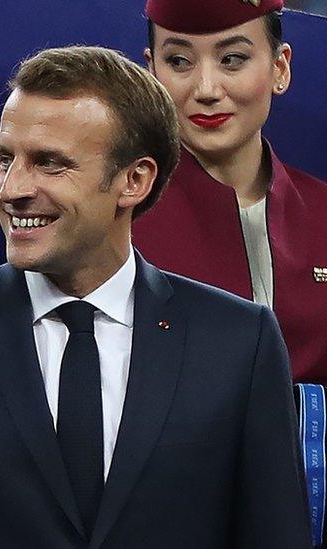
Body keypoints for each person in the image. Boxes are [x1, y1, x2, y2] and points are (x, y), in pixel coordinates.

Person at [0, 46, 309, 548]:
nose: (11, 188)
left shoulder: (239, 343)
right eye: (4, 160)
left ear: (134, 180)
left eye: (50, 164)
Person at [135, 0, 327, 384]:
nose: (206, 89)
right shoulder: (117, 222)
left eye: (233, 59)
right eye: (178, 62)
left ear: (280, 68)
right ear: (150, 71)